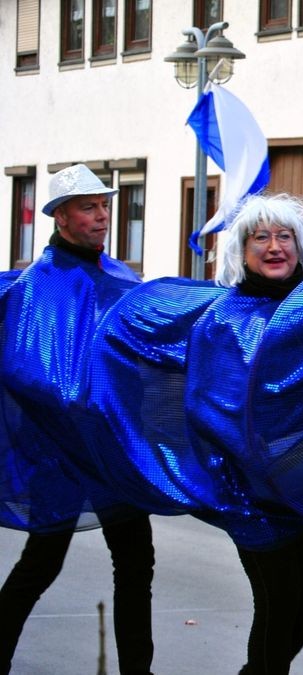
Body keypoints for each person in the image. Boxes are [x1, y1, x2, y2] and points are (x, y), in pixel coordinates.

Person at [0, 164, 154, 675]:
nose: (103, 216)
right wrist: (79, 406)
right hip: (60, 455)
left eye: (105, 205)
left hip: (113, 452)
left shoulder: (120, 277)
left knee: (136, 566)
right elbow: (26, 370)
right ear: (61, 217)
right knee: (40, 566)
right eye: (89, 207)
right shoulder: (38, 285)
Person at [206, 193, 303, 675]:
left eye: (284, 236)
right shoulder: (224, 319)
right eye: (260, 237)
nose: (274, 246)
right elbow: (212, 402)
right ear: (241, 252)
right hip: (253, 491)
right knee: (279, 603)